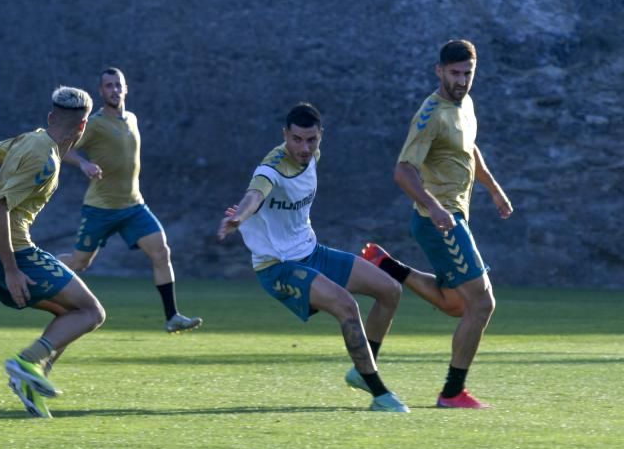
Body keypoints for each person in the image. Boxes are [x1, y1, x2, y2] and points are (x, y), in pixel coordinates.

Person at [217, 102, 409, 413]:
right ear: (285, 135)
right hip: (278, 267)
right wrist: (239, 216)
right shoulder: (271, 168)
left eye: (311, 140)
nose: (304, 148)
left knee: (390, 290)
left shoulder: (312, 157)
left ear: (321, 136)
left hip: (311, 252)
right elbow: (255, 194)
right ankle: (379, 393)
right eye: (296, 139)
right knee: (347, 306)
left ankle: (362, 370)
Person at [356, 39, 513, 409]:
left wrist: (493, 189)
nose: (461, 80)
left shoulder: (466, 105)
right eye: (454, 73)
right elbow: (403, 171)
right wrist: (434, 206)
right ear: (438, 71)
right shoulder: (430, 114)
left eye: (467, 73)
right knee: (482, 303)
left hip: (450, 217)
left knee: (457, 305)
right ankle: (452, 392)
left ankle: (387, 266)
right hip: (439, 221)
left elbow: (469, 148)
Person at [0, 86, 105, 418]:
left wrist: (10, 155)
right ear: (83, 127)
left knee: (70, 314)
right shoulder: (44, 158)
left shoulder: (27, 140)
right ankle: (25, 362)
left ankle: (32, 383)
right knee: (91, 312)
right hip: (10, 253)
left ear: (50, 118)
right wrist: (12, 269)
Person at [58, 67, 202, 334]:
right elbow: (61, 147)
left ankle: (172, 317)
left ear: (126, 89)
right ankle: (39, 268)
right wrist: (83, 164)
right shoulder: (95, 123)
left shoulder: (132, 119)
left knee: (161, 252)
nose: (114, 90)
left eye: (118, 85)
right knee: (80, 263)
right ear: (101, 92)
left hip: (134, 206)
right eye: (108, 86)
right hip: (100, 208)